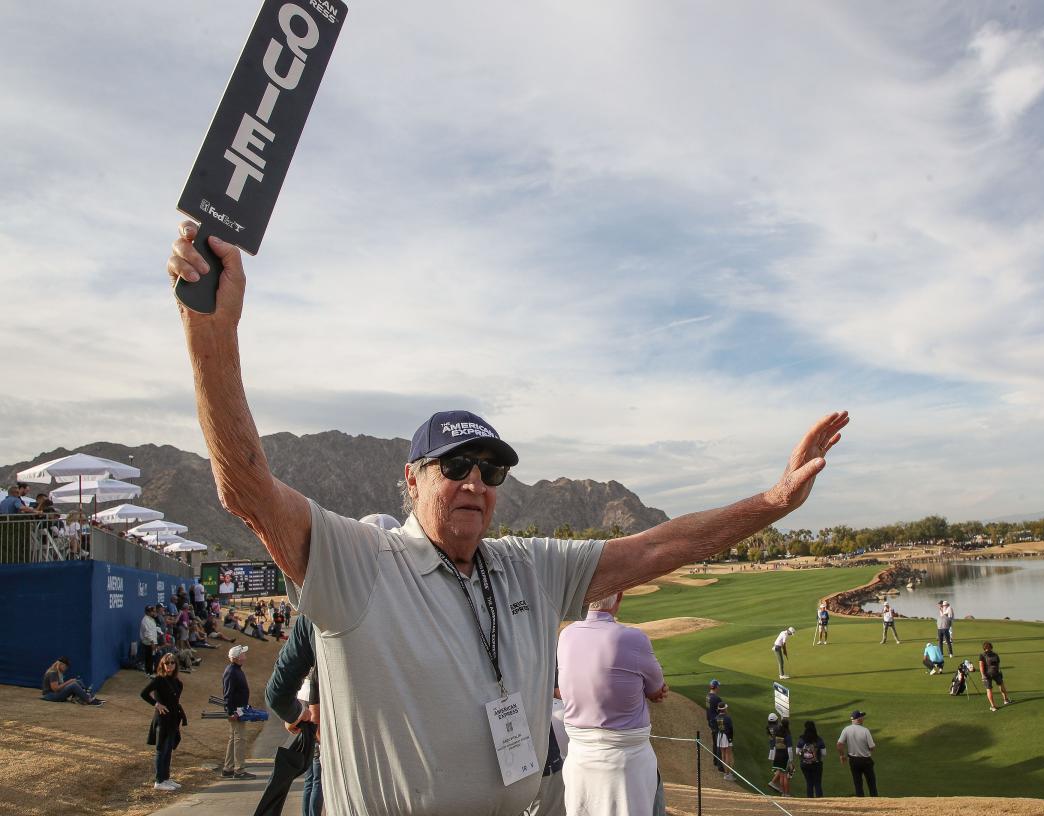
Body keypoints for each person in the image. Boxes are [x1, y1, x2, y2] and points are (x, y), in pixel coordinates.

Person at [166, 218, 848, 816]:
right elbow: (248, 491)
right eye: (454, 467)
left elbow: (658, 547)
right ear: (411, 479)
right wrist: (211, 333)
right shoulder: (362, 563)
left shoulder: (526, 564)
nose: (474, 483)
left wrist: (775, 501)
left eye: (490, 472)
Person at [557, 592, 668, 816]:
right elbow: (657, 688)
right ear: (619, 597)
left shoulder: (566, 635)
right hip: (628, 765)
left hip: (580, 760)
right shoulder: (633, 639)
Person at [265, 615, 321, 816]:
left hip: (359, 782)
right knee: (314, 778)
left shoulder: (316, 610)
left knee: (314, 779)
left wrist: (296, 714)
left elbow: (278, 694)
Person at [141, 652, 188, 791]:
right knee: (161, 749)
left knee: (169, 750)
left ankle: (166, 777)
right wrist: (157, 704)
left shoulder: (177, 682)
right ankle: (159, 780)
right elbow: (143, 693)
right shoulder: (159, 680)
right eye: (167, 663)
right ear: (162, 664)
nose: (170, 665)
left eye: (172, 662)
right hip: (162, 719)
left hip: (173, 719)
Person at [222, 644, 256, 779]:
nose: (245, 656)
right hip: (236, 711)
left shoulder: (236, 669)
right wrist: (230, 712)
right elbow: (228, 695)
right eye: (243, 654)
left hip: (239, 709)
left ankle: (228, 767)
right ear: (236, 658)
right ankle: (239, 770)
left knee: (234, 738)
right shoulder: (231, 671)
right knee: (239, 739)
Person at [837, 710, 877, 797]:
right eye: (862, 717)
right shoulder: (865, 731)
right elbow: (872, 747)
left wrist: (842, 755)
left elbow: (839, 744)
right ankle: (875, 800)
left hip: (853, 761)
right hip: (866, 760)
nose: (863, 718)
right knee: (871, 783)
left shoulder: (846, 729)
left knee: (858, 783)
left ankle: (860, 800)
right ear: (859, 719)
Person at [978, 641, 1012, 712]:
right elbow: (998, 665)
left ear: (984, 648)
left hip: (987, 675)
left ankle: (993, 706)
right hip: (996, 673)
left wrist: (982, 675)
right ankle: (1006, 700)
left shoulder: (982, 655)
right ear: (991, 647)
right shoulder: (995, 654)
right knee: (1001, 685)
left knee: (989, 690)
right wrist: (999, 672)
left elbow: (981, 666)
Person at [795, 720, 825, 798]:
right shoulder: (819, 739)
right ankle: (820, 801)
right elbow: (824, 753)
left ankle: (810, 800)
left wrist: (804, 754)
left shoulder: (801, 739)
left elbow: (797, 752)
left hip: (804, 764)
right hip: (817, 764)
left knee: (809, 783)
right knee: (817, 783)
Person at [765, 713, 792, 795]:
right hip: (778, 749)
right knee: (781, 770)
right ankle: (773, 782)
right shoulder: (778, 728)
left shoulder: (768, 728)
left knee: (779, 769)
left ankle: (780, 787)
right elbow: (783, 729)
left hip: (773, 748)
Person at [705, 679, 723, 771]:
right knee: (719, 743)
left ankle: (715, 761)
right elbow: (722, 712)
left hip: (710, 721)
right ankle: (720, 765)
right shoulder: (717, 698)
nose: (719, 688)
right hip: (716, 722)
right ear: (716, 687)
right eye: (718, 686)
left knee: (715, 742)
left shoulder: (708, 696)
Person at [714, 703, 735, 780]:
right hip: (726, 736)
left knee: (723, 754)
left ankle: (726, 774)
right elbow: (730, 729)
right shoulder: (727, 718)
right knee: (728, 755)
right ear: (724, 709)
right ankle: (728, 774)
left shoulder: (717, 717)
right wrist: (730, 739)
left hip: (720, 736)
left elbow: (716, 727)